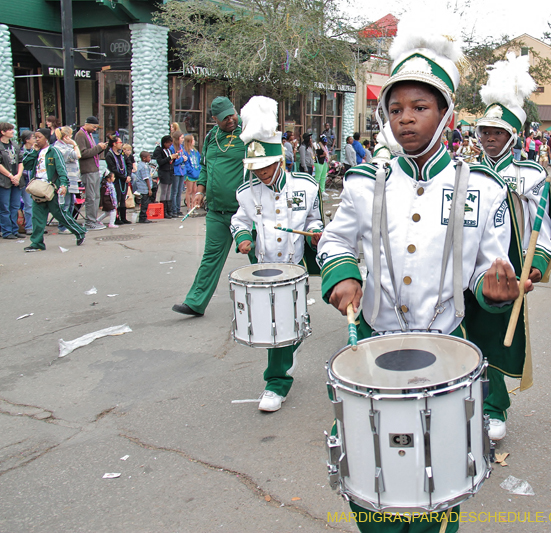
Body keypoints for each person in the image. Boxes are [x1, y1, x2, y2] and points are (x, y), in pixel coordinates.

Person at [317, 13, 528, 531]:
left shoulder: (482, 186)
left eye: (419, 107)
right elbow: (335, 240)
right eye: (395, 109)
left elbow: (486, 267)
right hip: (374, 343)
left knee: (439, 483)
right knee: (373, 482)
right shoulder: (367, 182)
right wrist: (342, 274)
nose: (404, 118)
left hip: (447, 351)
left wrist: (494, 289)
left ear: (447, 114)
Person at [470, 51, 551, 440]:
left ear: (513, 137)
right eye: (484, 132)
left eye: (497, 133)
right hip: (470, 268)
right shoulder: (465, 172)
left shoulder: (531, 174)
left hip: (508, 270)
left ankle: (494, 407)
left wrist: (535, 262)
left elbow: (544, 227)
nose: (489, 138)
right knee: (466, 335)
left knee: (499, 342)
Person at [230, 96, 324, 412]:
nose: (261, 173)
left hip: (294, 267)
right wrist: (243, 236)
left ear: (279, 160)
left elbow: (316, 221)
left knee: (283, 328)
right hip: (263, 268)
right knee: (277, 328)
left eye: (266, 166)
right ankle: (281, 370)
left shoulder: (307, 187)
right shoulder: (246, 193)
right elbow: (239, 220)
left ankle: (277, 380)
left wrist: (315, 236)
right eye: (254, 168)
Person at [172, 96, 247, 317]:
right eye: (224, 118)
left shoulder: (249, 132)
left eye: (232, 114)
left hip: (244, 212)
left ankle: (270, 300)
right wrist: (200, 191)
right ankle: (195, 302)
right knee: (210, 257)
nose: (231, 120)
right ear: (215, 119)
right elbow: (204, 167)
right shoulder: (211, 137)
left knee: (258, 257)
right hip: (216, 210)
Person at [21, 128, 85, 251]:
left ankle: (79, 231)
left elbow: (61, 169)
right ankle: (37, 243)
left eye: (39, 137)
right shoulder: (36, 152)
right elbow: (26, 164)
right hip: (38, 189)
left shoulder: (54, 151)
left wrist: (64, 185)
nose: (36, 139)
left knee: (60, 214)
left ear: (46, 138)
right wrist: (34, 152)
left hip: (51, 189)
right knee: (37, 216)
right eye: (35, 137)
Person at [76, 116, 109, 231]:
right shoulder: (80, 135)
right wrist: (97, 148)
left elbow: (92, 151)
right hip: (87, 170)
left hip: (94, 169)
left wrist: (100, 148)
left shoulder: (88, 134)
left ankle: (93, 219)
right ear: (87, 124)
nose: (95, 129)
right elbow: (82, 153)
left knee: (96, 196)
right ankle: (89, 221)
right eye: (94, 127)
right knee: (91, 197)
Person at [53, 127, 82, 234]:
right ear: (65, 136)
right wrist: (75, 144)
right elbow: (77, 155)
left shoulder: (67, 146)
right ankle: (62, 226)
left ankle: (69, 224)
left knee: (70, 204)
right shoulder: (59, 147)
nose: (70, 137)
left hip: (72, 178)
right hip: (65, 179)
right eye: (69, 135)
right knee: (65, 203)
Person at [0, 122, 23, 239]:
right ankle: (6, 231)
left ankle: (15, 230)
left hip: (16, 180)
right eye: (9, 130)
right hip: (3, 180)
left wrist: (18, 176)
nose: (12, 131)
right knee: (4, 206)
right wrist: (10, 176)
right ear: (2, 132)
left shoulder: (15, 145)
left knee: (15, 205)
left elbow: (20, 161)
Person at [105, 134, 131, 225]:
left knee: (123, 198)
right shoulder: (109, 155)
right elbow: (113, 169)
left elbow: (129, 164)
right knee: (117, 199)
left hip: (124, 179)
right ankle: (116, 218)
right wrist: (123, 177)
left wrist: (128, 175)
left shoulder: (122, 154)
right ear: (114, 144)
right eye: (120, 142)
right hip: (117, 180)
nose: (121, 144)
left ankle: (123, 217)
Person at [153, 135, 176, 218]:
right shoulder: (159, 150)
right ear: (164, 143)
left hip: (170, 171)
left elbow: (171, 160)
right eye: (168, 144)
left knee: (169, 191)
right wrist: (169, 157)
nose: (169, 146)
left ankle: (169, 210)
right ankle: (164, 211)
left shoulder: (169, 150)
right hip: (163, 172)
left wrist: (174, 158)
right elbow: (160, 162)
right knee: (164, 191)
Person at [18, 131, 35, 235]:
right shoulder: (21, 151)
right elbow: (23, 162)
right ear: (27, 140)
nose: (35, 139)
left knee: (32, 205)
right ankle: (26, 226)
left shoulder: (35, 150)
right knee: (25, 204)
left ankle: (33, 226)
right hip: (23, 180)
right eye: (33, 137)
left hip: (33, 180)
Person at [132, 151, 153, 223]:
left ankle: (143, 216)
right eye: (149, 157)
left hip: (142, 187)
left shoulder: (140, 165)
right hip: (144, 188)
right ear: (144, 158)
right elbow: (146, 178)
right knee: (145, 203)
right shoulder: (144, 166)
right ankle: (143, 217)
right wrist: (149, 189)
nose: (150, 158)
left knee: (144, 202)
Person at [170, 132, 188, 217]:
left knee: (180, 191)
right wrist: (181, 159)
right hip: (175, 171)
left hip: (182, 171)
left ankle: (178, 209)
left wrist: (184, 158)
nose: (183, 140)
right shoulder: (172, 148)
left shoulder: (182, 147)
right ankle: (173, 209)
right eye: (181, 138)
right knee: (174, 191)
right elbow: (174, 161)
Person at [183, 134, 201, 214]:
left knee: (195, 190)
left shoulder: (195, 151)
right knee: (189, 190)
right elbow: (186, 163)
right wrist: (190, 171)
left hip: (196, 172)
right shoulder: (185, 152)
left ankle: (193, 207)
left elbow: (199, 161)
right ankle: (188, 207)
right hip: (190, 174)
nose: (194, 141)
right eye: (193, 140)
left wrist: (199, 170)